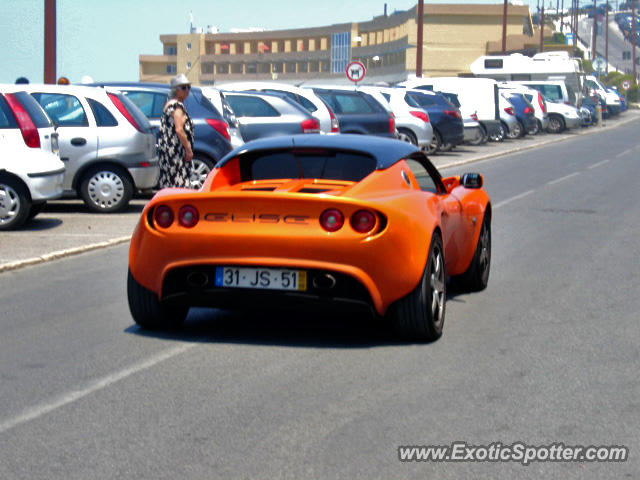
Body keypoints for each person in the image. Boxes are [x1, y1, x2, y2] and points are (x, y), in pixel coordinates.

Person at [157, 73, 195, 189]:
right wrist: (188, 149)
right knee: (179, 182)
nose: (187, 90)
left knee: (169, 181)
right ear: (176, 90)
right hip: (176, 151)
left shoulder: (169, 105)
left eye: (188, 87)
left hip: (168, 150)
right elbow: (179, 130)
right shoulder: (177, 106)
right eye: (183, 87)